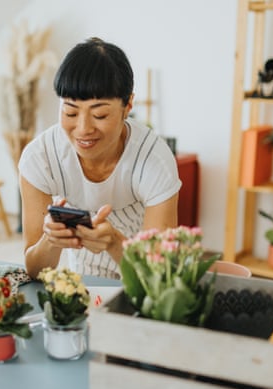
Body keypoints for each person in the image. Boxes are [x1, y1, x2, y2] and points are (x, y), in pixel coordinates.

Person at [18, 37, 181, 279]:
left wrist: (114, 243)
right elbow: (34, 270)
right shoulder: (40, 157)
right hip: (85, 277)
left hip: (140, 277)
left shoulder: (154, 160)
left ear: (128, 106)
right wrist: (51, 240)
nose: (83, 129)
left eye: (100, 114)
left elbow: (158, 275)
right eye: (70, 112)